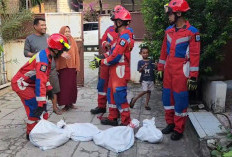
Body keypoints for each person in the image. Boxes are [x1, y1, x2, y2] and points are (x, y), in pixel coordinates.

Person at [11, 33, 71, 140]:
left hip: (29, 83)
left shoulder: (47, 55)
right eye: (61, 50)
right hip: (22, 84)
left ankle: (39, 128)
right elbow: (40, 81)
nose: (62, 53)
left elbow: (44, 77)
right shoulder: (43, 59)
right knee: (35, 107)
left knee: (43, 109)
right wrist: (41, 101)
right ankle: (30, 134)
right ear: (56, 50)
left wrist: (49, 89)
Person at [157, 0, 200, 140]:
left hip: (181, 71)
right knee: (167, 98)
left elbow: (194, 55)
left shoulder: (192, 32)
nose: (168, 16)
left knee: (180, 100)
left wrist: (193, 76)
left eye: (170, 13)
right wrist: (160, 68)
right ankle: (170, 124)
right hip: (168, 69)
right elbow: (164, 51)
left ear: (179, 13)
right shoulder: (168, 31)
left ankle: (178, 128)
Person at [90, 8, 134, 126]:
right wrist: (102, 56)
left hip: (119, 69)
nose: (113, 24)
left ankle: (125, 121)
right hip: (115, 69)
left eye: (114, 21)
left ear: (119, 22)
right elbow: (112, 52)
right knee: (111, 93)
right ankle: (113, 117)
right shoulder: (120, 36)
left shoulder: (124, 37)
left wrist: (101, 62)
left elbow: (115, 56)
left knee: (119, 95)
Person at [24, 17, 62, 115]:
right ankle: (40, 108)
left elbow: (55, 49)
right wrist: (37, 55)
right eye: (42, 25)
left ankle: (55, 107)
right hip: (37, 70)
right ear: (35, 26)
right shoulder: (29, 39)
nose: (44, 27)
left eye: (45, 25)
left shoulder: (49, 37)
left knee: (53, 89)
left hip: (51, 68)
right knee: (39, 88)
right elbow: (26, 52)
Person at [56, 26, 80, 111]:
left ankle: (71, 103)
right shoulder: (58, 41)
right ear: (62, 32)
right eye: (65, 31)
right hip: (62, 68)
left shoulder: (72, 40)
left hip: (71, 66)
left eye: (68, 31)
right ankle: (65, 104)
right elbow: (55, 54)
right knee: (64, 87)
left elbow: (76, 53)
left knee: (72, 87)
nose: (67, 33)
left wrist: (77, 65)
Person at [130, 46, 155, 110]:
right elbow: (139, 71)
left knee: (149, 91)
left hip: (151, 79)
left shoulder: (151, 61)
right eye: (144, 53)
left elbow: (155, 68)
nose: (145, 54)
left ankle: (146, 104)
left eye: (147, 53)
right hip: (144, 79)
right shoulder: (140, 62)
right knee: (145, 90)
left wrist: (156, 65)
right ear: (141, 54)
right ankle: (134, 99)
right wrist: (143, 66)